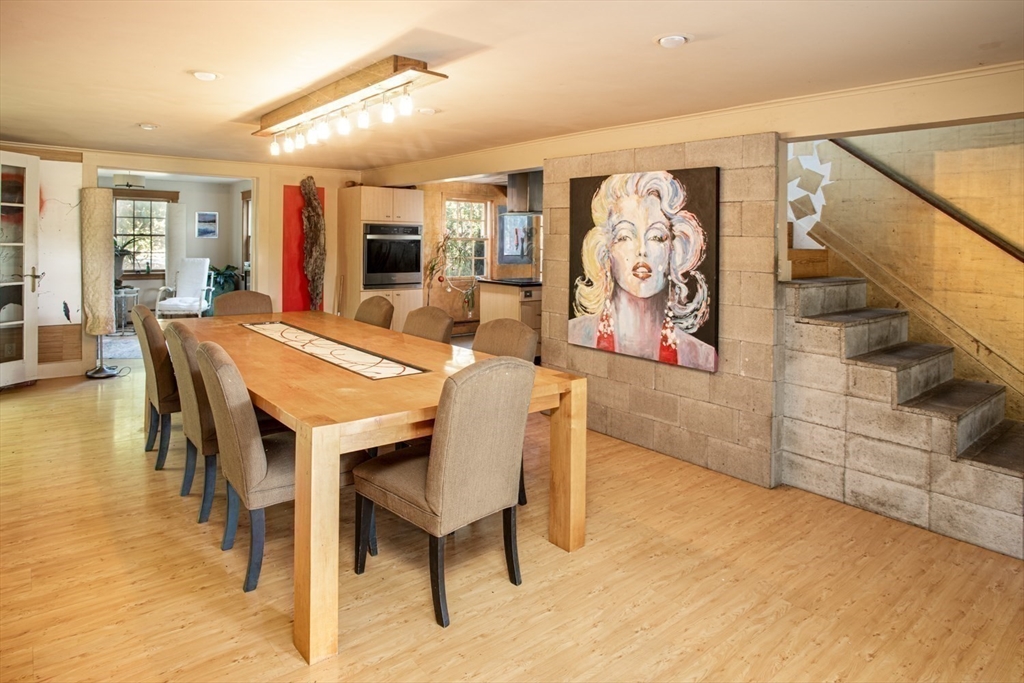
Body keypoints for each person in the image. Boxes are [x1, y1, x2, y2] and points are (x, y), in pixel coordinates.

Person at [567, 171, 717, 372]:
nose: (642, 250)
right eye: (625, 236)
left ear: (675, 251)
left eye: (656, 237)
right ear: (605, 252)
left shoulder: (702, 356)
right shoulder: (575, 334)